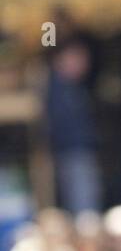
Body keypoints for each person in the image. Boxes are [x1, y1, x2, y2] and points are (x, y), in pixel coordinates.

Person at [43, 40, 103, 216]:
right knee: (84, 206)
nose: (85, 65)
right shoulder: (57, 88)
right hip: (73, 153)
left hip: (76, 152)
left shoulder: (71, 86)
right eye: (79, 59)